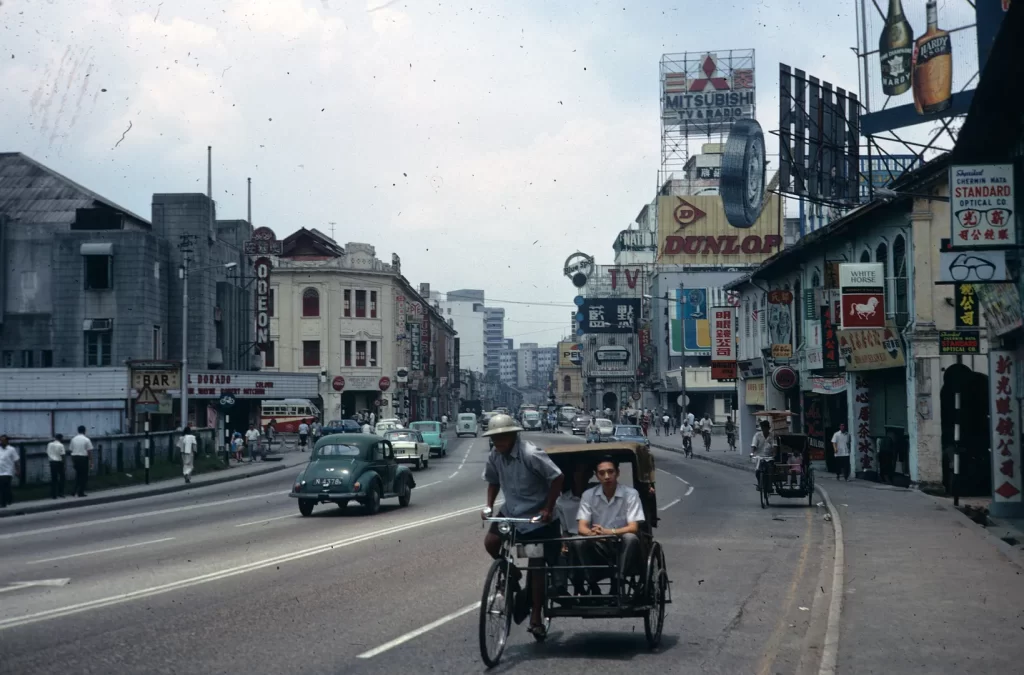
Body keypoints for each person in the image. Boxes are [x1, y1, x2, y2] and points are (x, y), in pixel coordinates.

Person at [481, 413, 564, 639]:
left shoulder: (530, 454)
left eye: (503, 439)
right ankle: (512, 572)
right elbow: (493, 481)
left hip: (538, 516)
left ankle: (535, 616)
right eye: (495, 440)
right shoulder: (495, 456)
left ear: (513, 436)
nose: (499, 444)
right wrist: (488, 507)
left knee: (536, 565)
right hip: (512, 511)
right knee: (491, 543)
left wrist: (548, 508)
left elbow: (557, 478)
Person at [573, 457, 645, 598]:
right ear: (597, 475)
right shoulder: (588, 495)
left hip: (621, 544)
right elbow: (582, 527)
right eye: (602, 473)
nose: (607, 477)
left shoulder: (630, 494)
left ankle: (618, 581)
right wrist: (592, 534)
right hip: (598, 544)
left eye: (610, 472)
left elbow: (633, 527)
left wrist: (608, 532)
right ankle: (592, 584)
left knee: (630, 538)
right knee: (577, 540)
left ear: (617, 473)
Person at [552, 464, 594, 599]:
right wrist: (563, 543)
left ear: (590, 475)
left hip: (596, 537)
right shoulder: (562, 501)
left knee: (578, 544)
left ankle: (589, 583)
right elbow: (564, 529)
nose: (580, 477)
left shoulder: (597, 495)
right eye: (577, 473)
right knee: (559, 552)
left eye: (584, 473)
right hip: (572, 539)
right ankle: (562, 588)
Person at [69, 425, 93, 497]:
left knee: (78, 474)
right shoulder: (86, 439)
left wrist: (73, 460)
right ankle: (81, 492)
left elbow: (71, 450)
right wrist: (91, 462)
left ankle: (74, 490)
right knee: (84, 476)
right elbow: (89, 451)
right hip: (83, 458)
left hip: (75, 457)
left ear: (78, 431)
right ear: (84, 431)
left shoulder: (73, 439)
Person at [751, 419, 775, 484]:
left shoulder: (771, 436)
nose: (764, 429)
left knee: (771, 470)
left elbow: (774, 446)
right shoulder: (757, 435)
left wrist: (774, 452)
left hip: (769, 457)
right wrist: (752, 453)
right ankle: (759, 482)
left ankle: (770, 484)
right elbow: (754, 445)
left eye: (766, 428)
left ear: (768, 428)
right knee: (757, 471)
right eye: (763, 428)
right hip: (759, 456)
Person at [0, 435, 19, 508]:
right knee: (5, 487)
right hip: (0, 472)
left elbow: (16, 460)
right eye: (0, 440)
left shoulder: (11, 449)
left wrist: (17, 470)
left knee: (3, 487)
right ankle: (9, 499)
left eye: (3, 440)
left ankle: (3, 503)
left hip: (8, 472)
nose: (1, 442)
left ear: (7, 441)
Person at [46, 433, 67, 499]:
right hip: (59, 462)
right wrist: (64, 464)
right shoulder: (61, 445)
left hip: (52, 462)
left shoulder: (49, 444)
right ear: (61, 438)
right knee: (62, 478)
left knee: (54, 478)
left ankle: (53, 494)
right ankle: (61, 492)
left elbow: (47, 452)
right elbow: (63, 455)